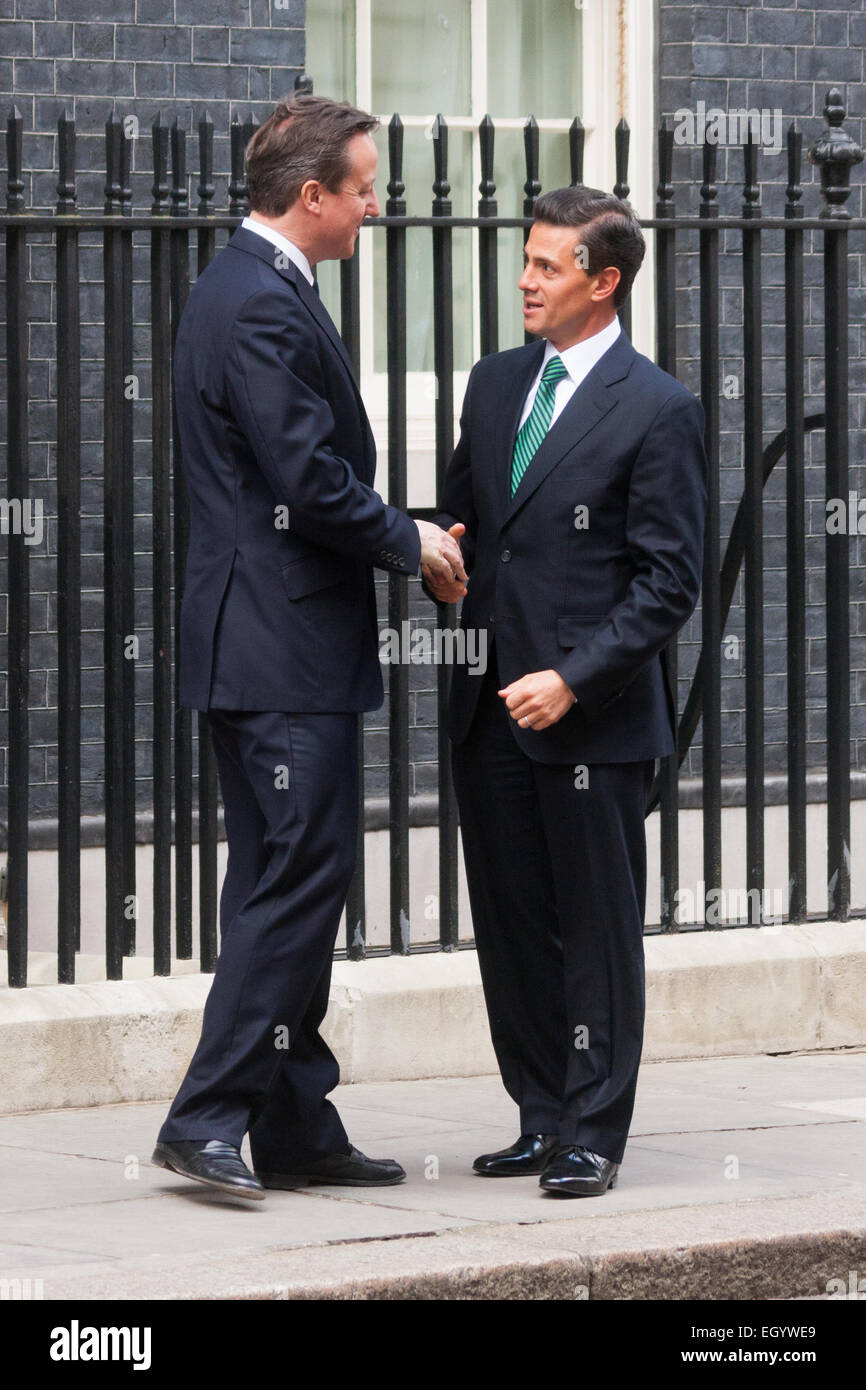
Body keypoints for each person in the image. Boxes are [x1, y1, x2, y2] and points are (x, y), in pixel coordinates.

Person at [153, 95, 465, 1200]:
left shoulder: (252, 287)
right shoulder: (258, 305)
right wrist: (412, 542)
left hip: (264, 639)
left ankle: (290, 1118)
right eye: (364, 186)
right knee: (295, 878)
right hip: (278, 644)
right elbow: (308, 481)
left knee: (286, 877)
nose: (375, 205)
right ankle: (206, 1116)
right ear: (310, 196)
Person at [426, 186, 707, 1196]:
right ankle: (541, 1112)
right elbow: (464, 519)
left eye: (546, 265)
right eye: (526, 260)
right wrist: (433, 556)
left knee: (592, 927)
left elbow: (668, 581)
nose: (524, 281)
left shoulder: (658, 407)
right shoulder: (495, 384)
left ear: (604, 279)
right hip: (487, 708)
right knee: (508, 922)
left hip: (590, 721)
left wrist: (574, 678)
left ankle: (593, 1127)